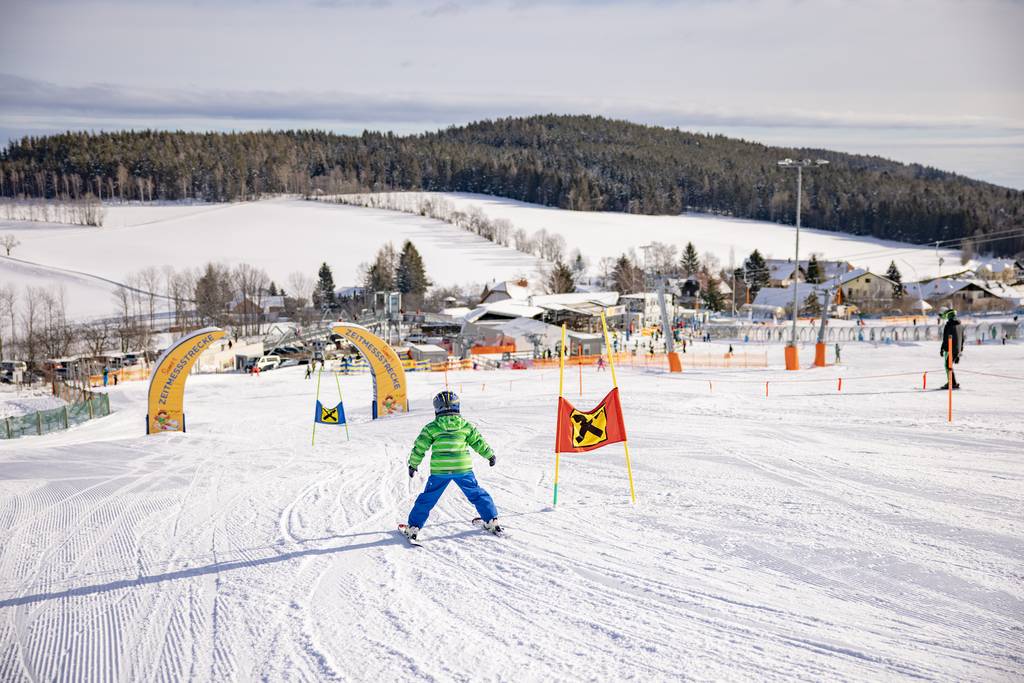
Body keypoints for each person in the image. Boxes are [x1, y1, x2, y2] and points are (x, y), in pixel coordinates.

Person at [403, 391, 500, 541]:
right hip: (463, 469)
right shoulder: (466, 426)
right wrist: (489, 455)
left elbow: (420, 447)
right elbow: (478, 442)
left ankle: (414, 527)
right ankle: (491, 520)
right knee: (477, 494)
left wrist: (413, 464)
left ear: (437, 409)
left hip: (440, 471)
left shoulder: (431, 427)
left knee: (428, 498)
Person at [939, 308, 964, 390]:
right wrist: (960, 352)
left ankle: (952, 383)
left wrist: (942, 348)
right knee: (949, 365)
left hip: (951, 348)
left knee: (948, 365)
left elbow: (946, 338)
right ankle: (952, 382)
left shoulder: (949, 324)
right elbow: (962, 339)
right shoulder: (960, 324)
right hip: (957, 349)